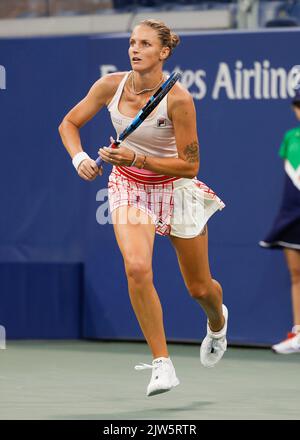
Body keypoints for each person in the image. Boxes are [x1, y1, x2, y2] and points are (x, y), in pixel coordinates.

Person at [59, 19, 228, 396]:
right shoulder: (109, 86)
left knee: (200, 288)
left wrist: (137, 157)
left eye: (145, 44)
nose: (135, 49)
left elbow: (190, 165)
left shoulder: (179, 99)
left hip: (176, 189)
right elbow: (69, 123)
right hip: (129, 189)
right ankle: (162, 365)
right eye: (132, 42)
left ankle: (217, 323)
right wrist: (79, 158)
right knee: (136, 267)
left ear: (164, 52)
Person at [259, 86, 300, 354]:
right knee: (296, 274)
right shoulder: (290, 138)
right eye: (298, 105)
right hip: (293, 216)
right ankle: (298, 331)